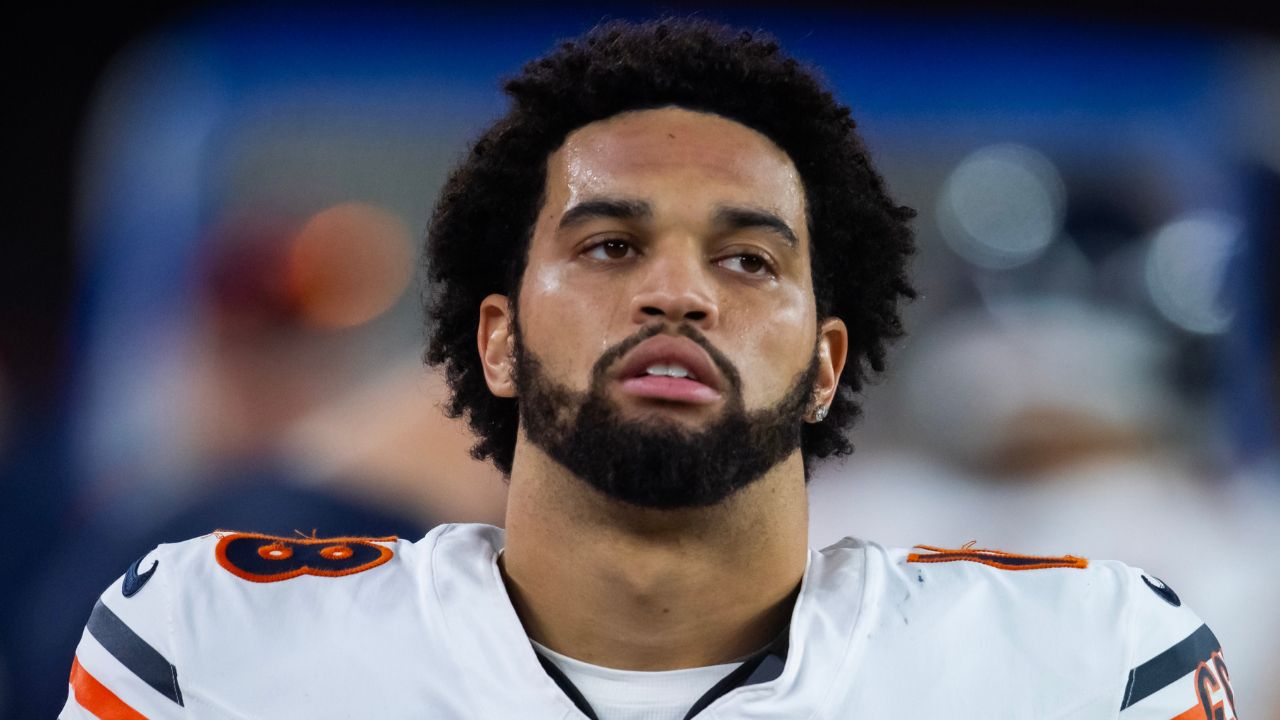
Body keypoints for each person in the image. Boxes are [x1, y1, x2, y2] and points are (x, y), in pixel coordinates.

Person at [62, 19, 1235, 719]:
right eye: (610, 245)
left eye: (747, 258)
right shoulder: (219, 646)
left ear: (828, 365)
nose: (677, 292)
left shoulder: (1087, 660)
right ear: (496, 339)